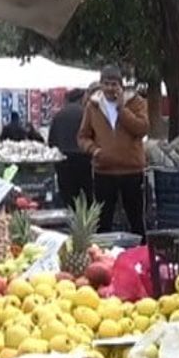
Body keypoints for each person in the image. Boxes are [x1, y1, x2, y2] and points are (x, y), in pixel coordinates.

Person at [78, 65, 150, 233]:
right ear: (101, 85)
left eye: (114, 84)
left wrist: (122, 110)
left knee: (136, 219)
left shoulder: (136, 102)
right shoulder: (92, 106)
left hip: (131, 170)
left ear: (121, 86)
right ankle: (104, 256)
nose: (110, 88)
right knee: (103, 221)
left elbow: (142, 129)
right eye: (106, 84)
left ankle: (140, 254)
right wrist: (94, 150)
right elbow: (83, 136)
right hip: (104, 171)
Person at [49, 88, 93, 208]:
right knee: (89, 194)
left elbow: (51, 140)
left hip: (63, 160)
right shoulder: (86, 113)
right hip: (84, 159)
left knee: (68, 197)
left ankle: (69, 221)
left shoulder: (59, 115)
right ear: (81, 98)